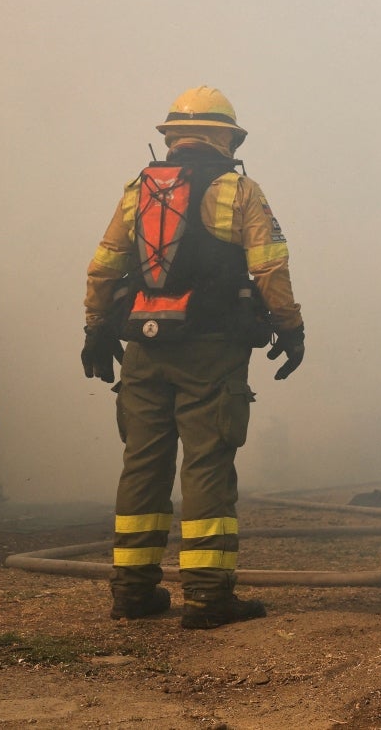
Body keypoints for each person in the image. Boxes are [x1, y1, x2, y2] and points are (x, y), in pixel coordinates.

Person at [81, 86, 306, 629]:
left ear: (173, 138)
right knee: (206, 462)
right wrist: (290, 327)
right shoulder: (239, 190)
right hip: (211, 348)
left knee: (143, 464)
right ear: (226, 137)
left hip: (143, 346)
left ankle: (133, 593)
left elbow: (104, 264)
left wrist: (95, 328)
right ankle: (208, 598)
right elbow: (270, 266)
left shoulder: (140, 188)